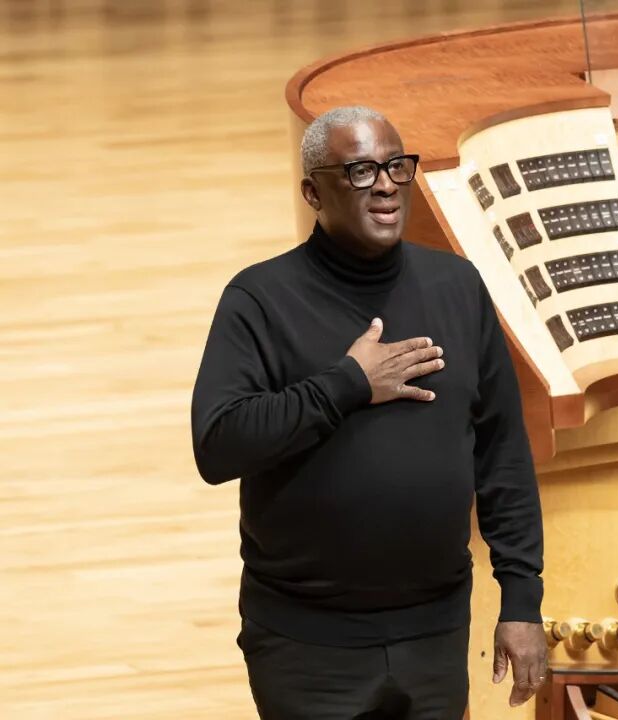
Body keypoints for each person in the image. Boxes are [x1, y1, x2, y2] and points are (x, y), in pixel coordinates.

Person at [190, 105, 547, 720]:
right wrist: (348, 384)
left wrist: (521, 600)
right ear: (313, 193)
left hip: (434, 632)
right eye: (360, 171)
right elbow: (219, 444)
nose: (385, 185)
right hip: (307, 644)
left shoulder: (457, 288)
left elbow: (503, 454)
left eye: (395, 166)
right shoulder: (260, 299)